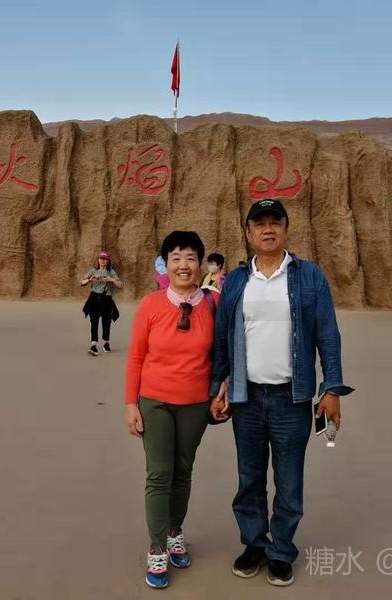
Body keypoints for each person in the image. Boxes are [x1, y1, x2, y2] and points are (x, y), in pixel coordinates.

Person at [209, 199, 353, 587]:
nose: (268, 229)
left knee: (289, 482)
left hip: (292, 398)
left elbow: (327, 334)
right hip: (247, 398)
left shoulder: (308, 276)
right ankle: (254, 544)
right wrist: (217, 386)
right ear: (248, 232)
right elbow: (222, 338)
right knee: (250, 478)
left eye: (276, 222)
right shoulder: (237, 281)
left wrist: (332, 387)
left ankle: (282, 550)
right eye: (260, 224)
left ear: (286, 229)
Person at [125, 231, 219, 589]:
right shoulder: (150, 304)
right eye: (176, 257)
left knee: (183, 470)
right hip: (155, 402)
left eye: (191, 258)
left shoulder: (212, 303)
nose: (184, 265)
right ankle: (157, 546)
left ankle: (175, 529)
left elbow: (221, 354)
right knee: (159, 474)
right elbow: (136, 356)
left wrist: (221, 391)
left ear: (200, 264)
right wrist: (131, 404)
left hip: (195, 403)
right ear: (166, 264)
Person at [80, 251, 122, 355]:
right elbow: (82, 282)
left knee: (106, 322)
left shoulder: (111, 272)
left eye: (104, 259)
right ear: (98, 259)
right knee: (94, 321)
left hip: (106, 298)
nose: (102, 261)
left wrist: (111, 280)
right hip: (94, 298)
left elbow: (120, 285)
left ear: (108, 261)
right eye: (100, 258)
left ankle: (106, 343)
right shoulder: (93, 271)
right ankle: (93, 345)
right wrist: (89, 280)